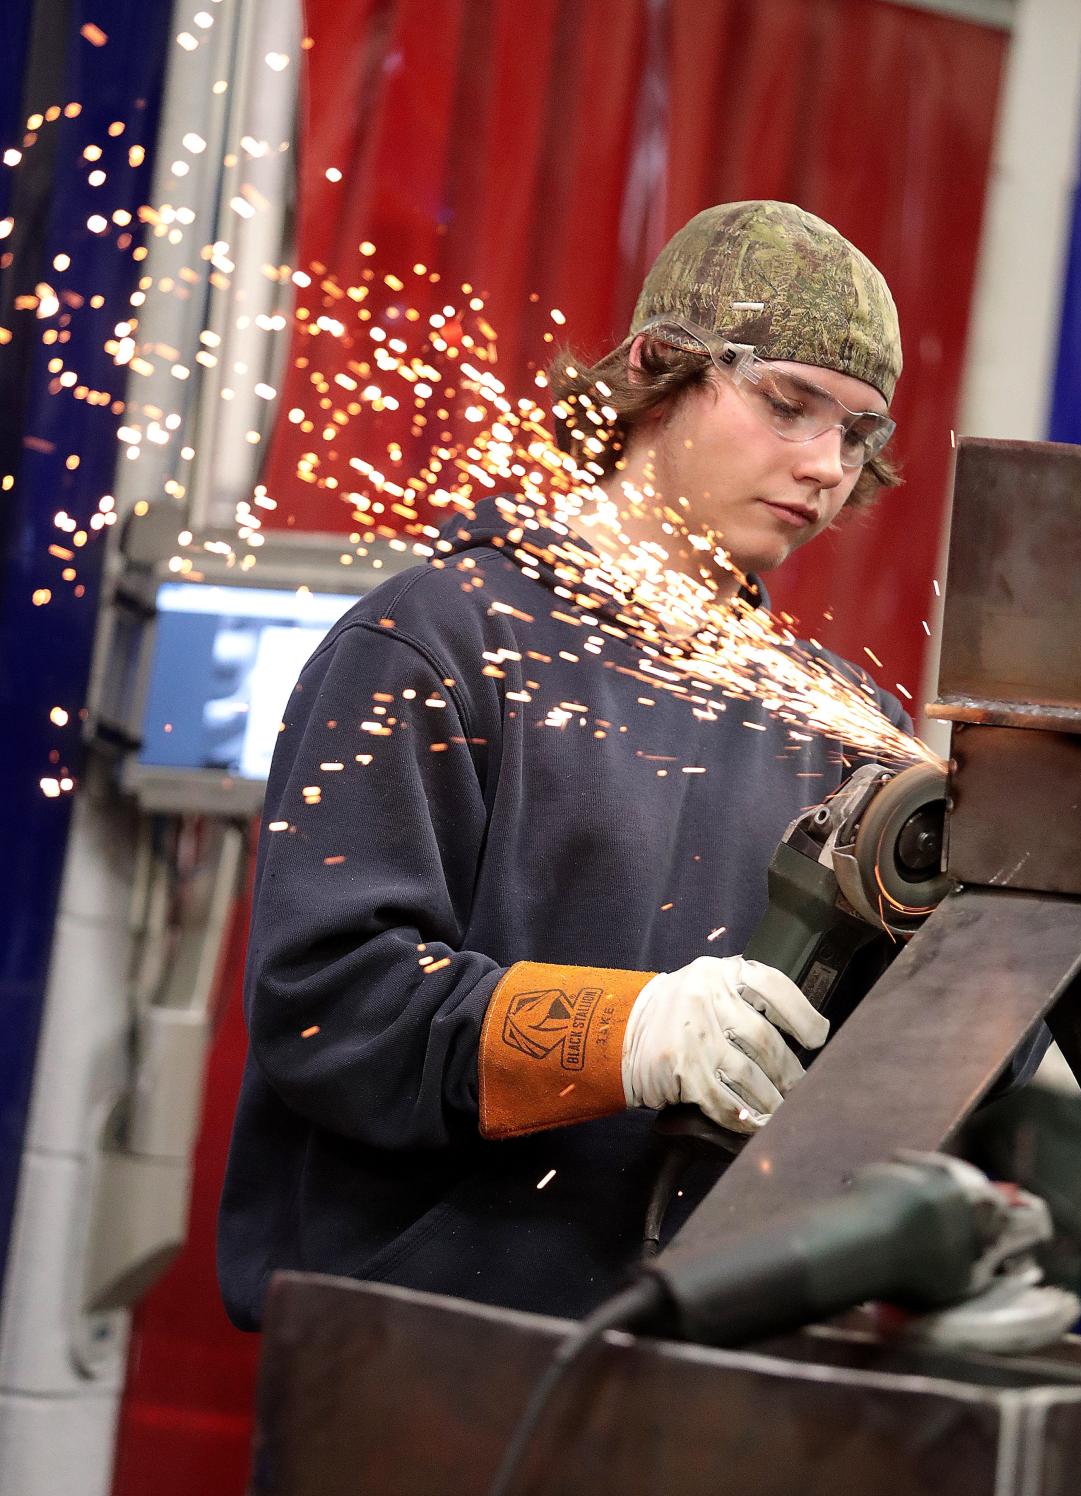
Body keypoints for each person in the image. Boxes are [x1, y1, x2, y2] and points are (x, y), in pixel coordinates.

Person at [217, 200, 915, 1331]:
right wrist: (625, 1034)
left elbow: (899, 1041)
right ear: (656, 368)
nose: (827, 467)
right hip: (422, 1358)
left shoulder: (842, 725)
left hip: (698, 1356)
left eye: (859, 433)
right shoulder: (438, 643)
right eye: (789, 404)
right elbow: (330, 1008)